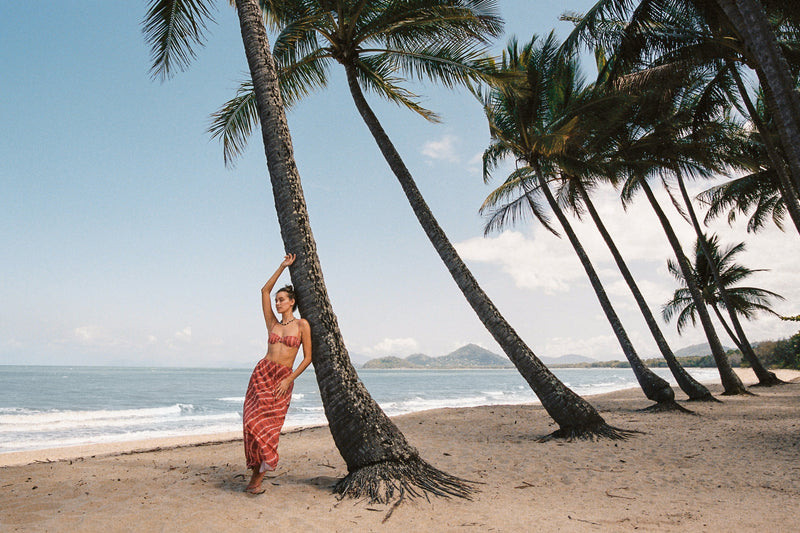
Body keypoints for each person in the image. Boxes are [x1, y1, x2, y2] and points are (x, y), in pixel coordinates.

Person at [243, 254, 312, 494]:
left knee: (269, 431)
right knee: (251, 423)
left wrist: (289, 379)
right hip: (261, 376)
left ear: (292, 302)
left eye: (282, 299)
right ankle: (255, 474)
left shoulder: (302, 325)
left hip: (282, 380)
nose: (278, 303)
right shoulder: (272, 324)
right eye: (277, 300)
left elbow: (308, 358)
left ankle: (256, 480)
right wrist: (282, 267)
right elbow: (264, 290)